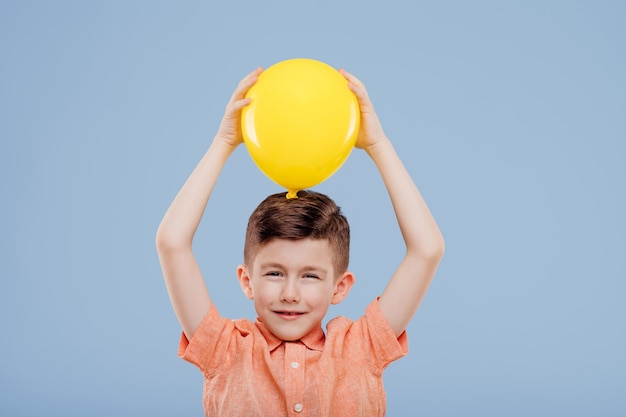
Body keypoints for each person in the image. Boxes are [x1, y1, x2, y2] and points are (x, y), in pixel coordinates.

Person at [156, 67, 445, 417]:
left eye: (310, 276)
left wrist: (378, 145)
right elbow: (172, 242)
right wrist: (223, 144)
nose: (290, 293)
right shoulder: (226, 349)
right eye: (275, 274)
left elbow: (427, 249)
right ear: (247, 280)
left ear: (340, 287)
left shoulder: (361, 348)